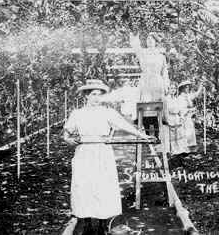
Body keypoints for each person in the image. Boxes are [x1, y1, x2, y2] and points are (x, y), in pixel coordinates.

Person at [63, 79, 153, 235]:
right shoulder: (77, 114)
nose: (96, 98)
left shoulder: (107, 112)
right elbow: (66, 134)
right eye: (93, 94)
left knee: (103, 186)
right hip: (84, 152)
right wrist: (69, 139)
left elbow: (126, 127)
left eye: (99, 95)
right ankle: (88, 224)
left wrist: (144, 136)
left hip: (103, 152)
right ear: (86, 96)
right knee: (85, 186)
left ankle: (104, 223)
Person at [129, 31, 170, 102]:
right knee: (146, 104)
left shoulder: (161, 56)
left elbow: (164, 73)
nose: (150, 41)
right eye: (148, 39)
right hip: (146, 81)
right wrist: (134, 36)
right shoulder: (142, 54)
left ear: (156, 42)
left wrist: (166, 85)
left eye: (152, 39)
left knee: (157, 105)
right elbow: (136, 47)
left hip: (158, 83)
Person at [176, 80, 203, 152]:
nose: (188, 89)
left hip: (188, 117)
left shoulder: (187, 96)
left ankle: (191, 148)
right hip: (183, 117)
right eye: (186, 87)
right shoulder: (180, 98)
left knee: (190, 131)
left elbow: (195, 95)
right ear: (182, 89)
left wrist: (201, 87)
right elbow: (181, 109)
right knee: (185, 132)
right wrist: (190, 110)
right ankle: (185, 149)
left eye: (188, 87)